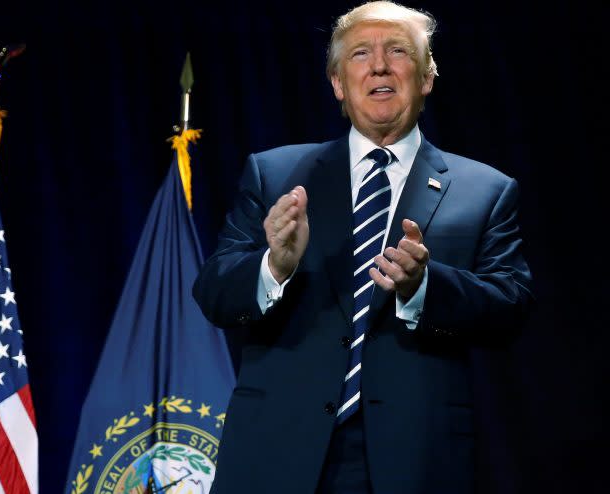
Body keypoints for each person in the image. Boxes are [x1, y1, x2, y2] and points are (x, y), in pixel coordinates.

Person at [193, 1, 534, 492]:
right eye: (359, 54)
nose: (378, 65)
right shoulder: (276, 175)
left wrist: (424, 288)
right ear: (337, 83)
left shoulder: (485, 189)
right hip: (278, 453)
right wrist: (274, 267)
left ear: (426, 77)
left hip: (416, 457)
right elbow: (213, 293)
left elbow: (512, 310)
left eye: (397, 51)